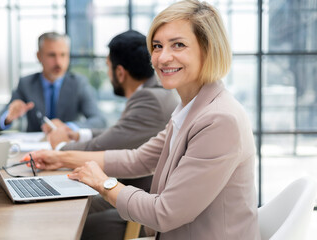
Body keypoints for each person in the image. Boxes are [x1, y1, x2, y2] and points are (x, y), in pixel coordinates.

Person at [28, 1, 260, 239]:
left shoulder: (219, 120)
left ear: (208, 50)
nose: (162, 57)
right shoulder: (191, 108)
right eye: (157, 46)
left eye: (178, 45)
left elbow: (164, 213)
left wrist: (104, 183)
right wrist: (59, 158)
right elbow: (137, 159)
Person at [47, 30, 178, 155]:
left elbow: (105, 147)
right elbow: (120, 133)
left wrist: (60, 147)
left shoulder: (150, 99)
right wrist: (78, 135)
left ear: (120, 73)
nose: (108, 73)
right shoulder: (157, 92)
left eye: (108, 66)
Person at [0, 32, 106, 132]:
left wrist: (67, 127)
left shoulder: (78, 83)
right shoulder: (26, 84)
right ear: (39, 56)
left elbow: (99, 121)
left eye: (63, 55)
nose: (58, 62)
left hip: (67, 147)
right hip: (34, 150)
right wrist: (8, 117)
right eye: (52, 55)